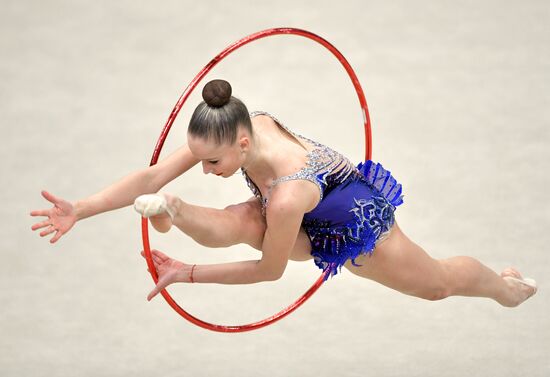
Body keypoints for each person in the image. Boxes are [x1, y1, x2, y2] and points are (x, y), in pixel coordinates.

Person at [31, 79, 537, 307]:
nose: (203, 168)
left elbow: (270, 270)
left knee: (437, 285)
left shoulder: (287, 193)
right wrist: (83, 207)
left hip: (353, 221)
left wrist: (185, 274)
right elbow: (149, 176)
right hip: (288, 204)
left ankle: (501, 286)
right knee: (241, 222)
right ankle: (175, 212)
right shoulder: (231, 128)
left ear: (244, 144)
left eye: (211, 163)